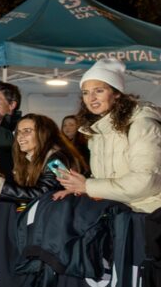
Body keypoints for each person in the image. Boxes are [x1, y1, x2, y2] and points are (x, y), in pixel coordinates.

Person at [54, 61, 161, 213]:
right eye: (85, 92)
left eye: (99, 90)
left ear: (116, 93)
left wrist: (88, 186)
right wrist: (81, 189)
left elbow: (146, 181)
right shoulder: (96, 130)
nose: (91, 98)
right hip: (118, 212)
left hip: (146, 215)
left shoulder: (142, 125)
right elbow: (105, 178)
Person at [0, 114, 86, 209]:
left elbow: (45, 194)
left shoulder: (55, 160)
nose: (20, 136)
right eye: (18, 132)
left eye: (27, 131)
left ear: (43, 133)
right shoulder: (29, 158)